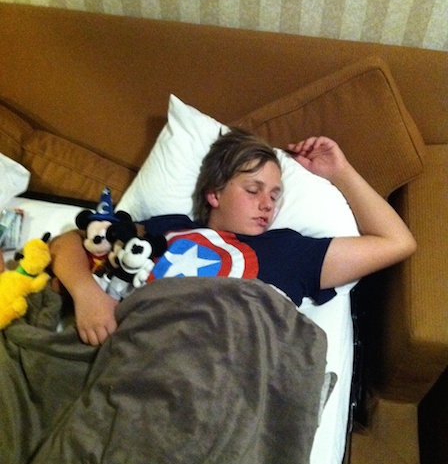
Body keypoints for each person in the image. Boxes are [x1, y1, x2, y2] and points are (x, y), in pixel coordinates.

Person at [50, 131, 416, 346]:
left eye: (274, 196)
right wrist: (88, 295)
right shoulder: (170, 228)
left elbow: (397, 242)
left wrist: (340, 171)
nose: (267, 204)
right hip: (129, 340)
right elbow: (70, 242)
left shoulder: (288, 252)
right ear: (214, 194)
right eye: (253, 190)